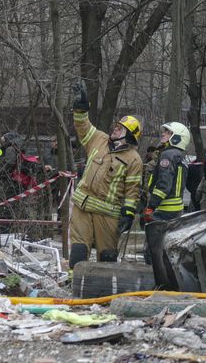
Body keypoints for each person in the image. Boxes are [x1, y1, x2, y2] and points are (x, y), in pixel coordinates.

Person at [68, 81, 143, 269]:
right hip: (82, 205)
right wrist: (81, 108)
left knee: (107, 256)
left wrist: (128, 213)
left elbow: (132, 190)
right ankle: (75, 283)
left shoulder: (134, 159)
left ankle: (105, 291)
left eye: (120, 128)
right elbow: (82, 125)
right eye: (116, 126)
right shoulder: (98, 139)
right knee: (78, 248)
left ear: (129, 136)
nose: (115, 129)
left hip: (108, 213)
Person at [144, 122, 190, 222]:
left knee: (156, 237)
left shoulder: (168, 155)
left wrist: (151, 206)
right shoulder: (180, 156)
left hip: (164, 209)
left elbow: (164, 184)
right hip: (176, 208)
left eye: (168, 132)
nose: (163, 134)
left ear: (177, 137)